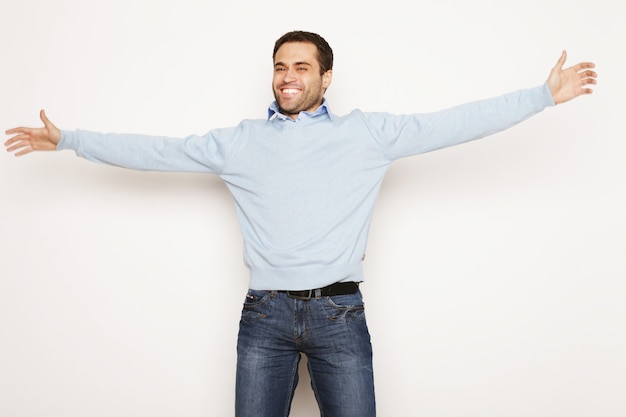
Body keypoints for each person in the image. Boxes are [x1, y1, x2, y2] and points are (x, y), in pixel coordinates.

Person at [4, 31, 596, 417]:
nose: (287, 76)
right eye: (280, 67)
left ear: (325, 78)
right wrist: (70, 140)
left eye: (301, 67)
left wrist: (540, 96)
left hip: (341, 313)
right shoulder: (240, 143)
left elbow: (451, 124)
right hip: (265, 315)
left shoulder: (365, 134)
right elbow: (158, 150)